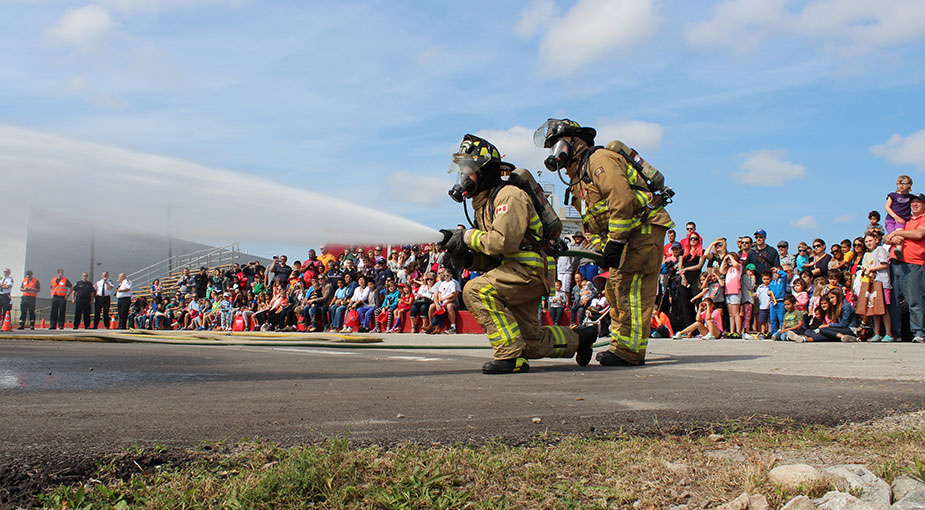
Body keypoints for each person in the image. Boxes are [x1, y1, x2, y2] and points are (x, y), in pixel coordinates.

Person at [441, 134, 593, 373]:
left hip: (529, 271)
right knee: (530, 342)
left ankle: (510, 358)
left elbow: (503, 243)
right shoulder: (485, 204)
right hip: (515, 271)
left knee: (476, 290)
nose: (464, 178)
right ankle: (581, 338)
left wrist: (466, 237)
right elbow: (494, 254)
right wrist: (469, 258)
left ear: (484, 171)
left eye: (468, 170)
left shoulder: (508, 196)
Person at [536, 118, 674, 366]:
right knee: (615, 288)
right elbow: (594, 221)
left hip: (642, 229)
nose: (555, 152)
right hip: (628, 235)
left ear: (576, 141)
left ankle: (629, 352)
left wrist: (616, 242)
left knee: (628, 289)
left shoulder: (599, 160)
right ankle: (620, 346)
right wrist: (601, 248)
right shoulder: (579, 178)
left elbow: (621, 202)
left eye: (558, 145)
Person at [883, 192, 925, 343]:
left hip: (914, 263)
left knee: (914, 299)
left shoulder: (923, 218)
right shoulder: (904, 218)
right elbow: (886, 238)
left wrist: (897, 233)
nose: (914, 204)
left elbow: (919, 234)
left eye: (918, 202)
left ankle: (918, 332)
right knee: (893, 302)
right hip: (895, 263)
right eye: (912, 202)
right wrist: (892, 235)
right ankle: (895, 333)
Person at [859, 232, 893, 342]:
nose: (868, 243)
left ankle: (889, 333)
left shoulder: (880, 250)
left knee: (884, 309)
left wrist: (872, 269)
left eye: (870, 240)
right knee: (874, 309)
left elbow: (884, 264)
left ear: (876, 240)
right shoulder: (866, 254)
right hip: (871, 283)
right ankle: (877, 333)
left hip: (882, 282)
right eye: (866, 241)